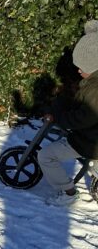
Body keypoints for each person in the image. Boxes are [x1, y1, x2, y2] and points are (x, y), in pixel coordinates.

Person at [39, 19, 98, 206]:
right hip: (92, 137)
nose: (79, 70)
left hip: (90, 142)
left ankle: (68, 192)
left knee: (46, 156)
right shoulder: (92, 82)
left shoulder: (95, 88)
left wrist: (60, 118)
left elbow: (85, 116)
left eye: (83, 67)